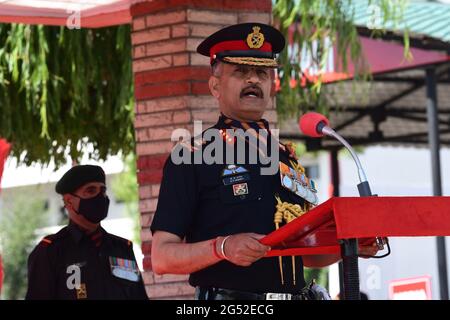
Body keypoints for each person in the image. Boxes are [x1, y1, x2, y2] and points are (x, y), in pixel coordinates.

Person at [150, 23, 378, 300]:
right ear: (215, 86)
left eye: (261, 73)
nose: (254, 80)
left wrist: (349, 247)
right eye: (241, 72)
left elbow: (306, 254)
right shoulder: (192, 156)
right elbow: (162, 257)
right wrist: (222, 247)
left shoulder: (286, 158)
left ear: (272, 85)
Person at [26, 165, 148, 300]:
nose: (100, 196)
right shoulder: (50, 252)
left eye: (103, 191)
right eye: (91, 191)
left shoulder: (122, 248)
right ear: (69, 201)